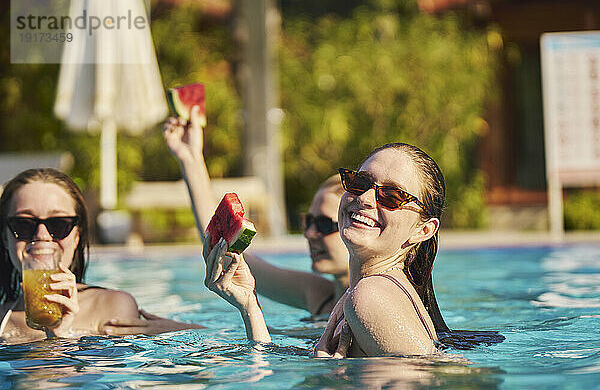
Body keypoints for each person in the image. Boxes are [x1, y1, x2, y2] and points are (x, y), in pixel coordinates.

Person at [203, 142, 452, 356]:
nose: (365, 198)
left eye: (392, 196)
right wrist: (250, 307)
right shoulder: (374, 292)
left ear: (424, 230)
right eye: (360, 182)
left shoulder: (369, 295)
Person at [163, 108, 349, 316]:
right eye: (308, 221)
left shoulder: (375, 306)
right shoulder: (320, 295)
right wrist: (190, 157)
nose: (309, 233)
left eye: (324, 224)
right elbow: (225, 245)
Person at [0, 168, 203, 343]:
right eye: (23, 225)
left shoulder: (111, 306)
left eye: (58, 224)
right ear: (5, 238)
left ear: (77, 236)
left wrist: (61, 337)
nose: (42, 236)